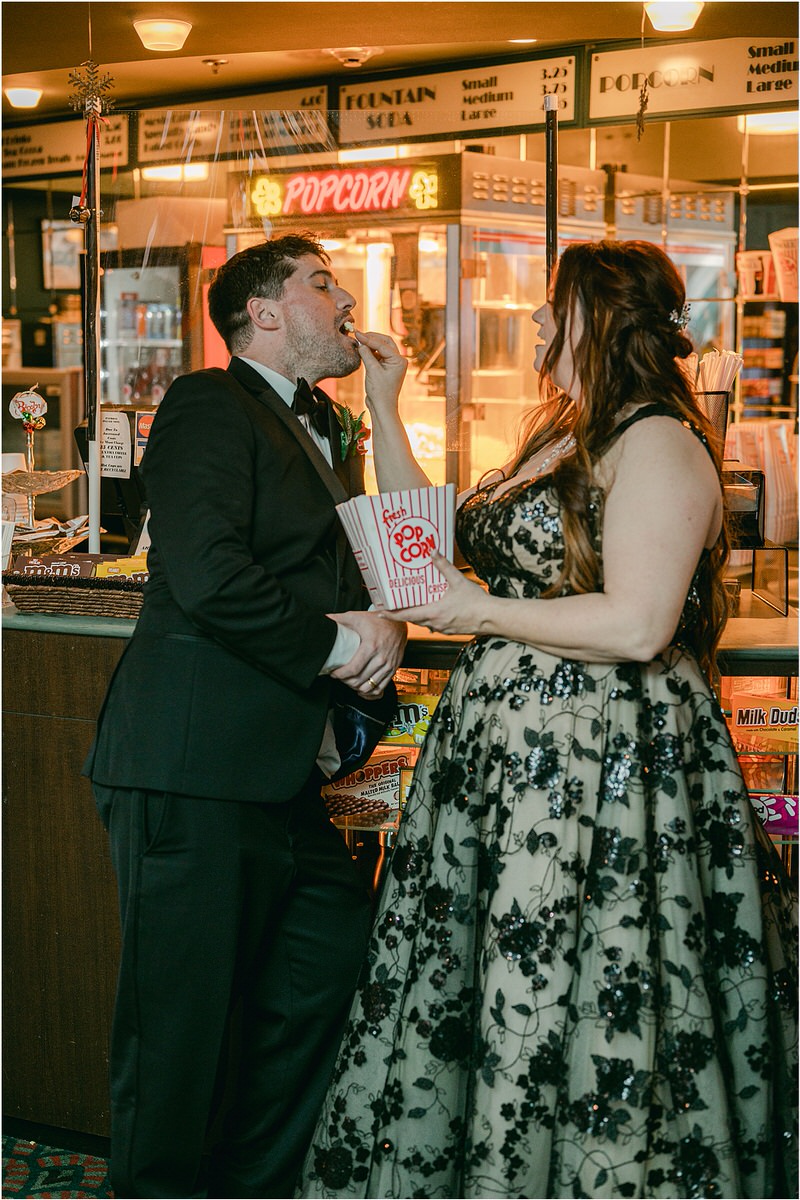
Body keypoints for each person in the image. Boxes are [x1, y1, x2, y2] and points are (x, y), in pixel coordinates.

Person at [298, 239, 798, 1199]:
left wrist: (476, 612)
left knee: (592, 970)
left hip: (603, 759)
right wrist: (388, 410)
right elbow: (425, 538)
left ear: (599, 319)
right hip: (513, 760)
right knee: (499, 976)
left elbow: (640, 621)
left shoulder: (659, 438)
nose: (532, 322)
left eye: (550, 306)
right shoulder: (563, 430)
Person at [84, 232, 407, 1199]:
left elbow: (402, 548)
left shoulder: (327, 422)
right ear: (261, 314)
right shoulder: (205, 404)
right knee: (179, 1036)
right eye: (320, 283)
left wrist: (385, 407)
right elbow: (210, 573)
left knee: (328, 973)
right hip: (192, 766)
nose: (345, 296)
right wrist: (345, 646)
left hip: (282, 776)